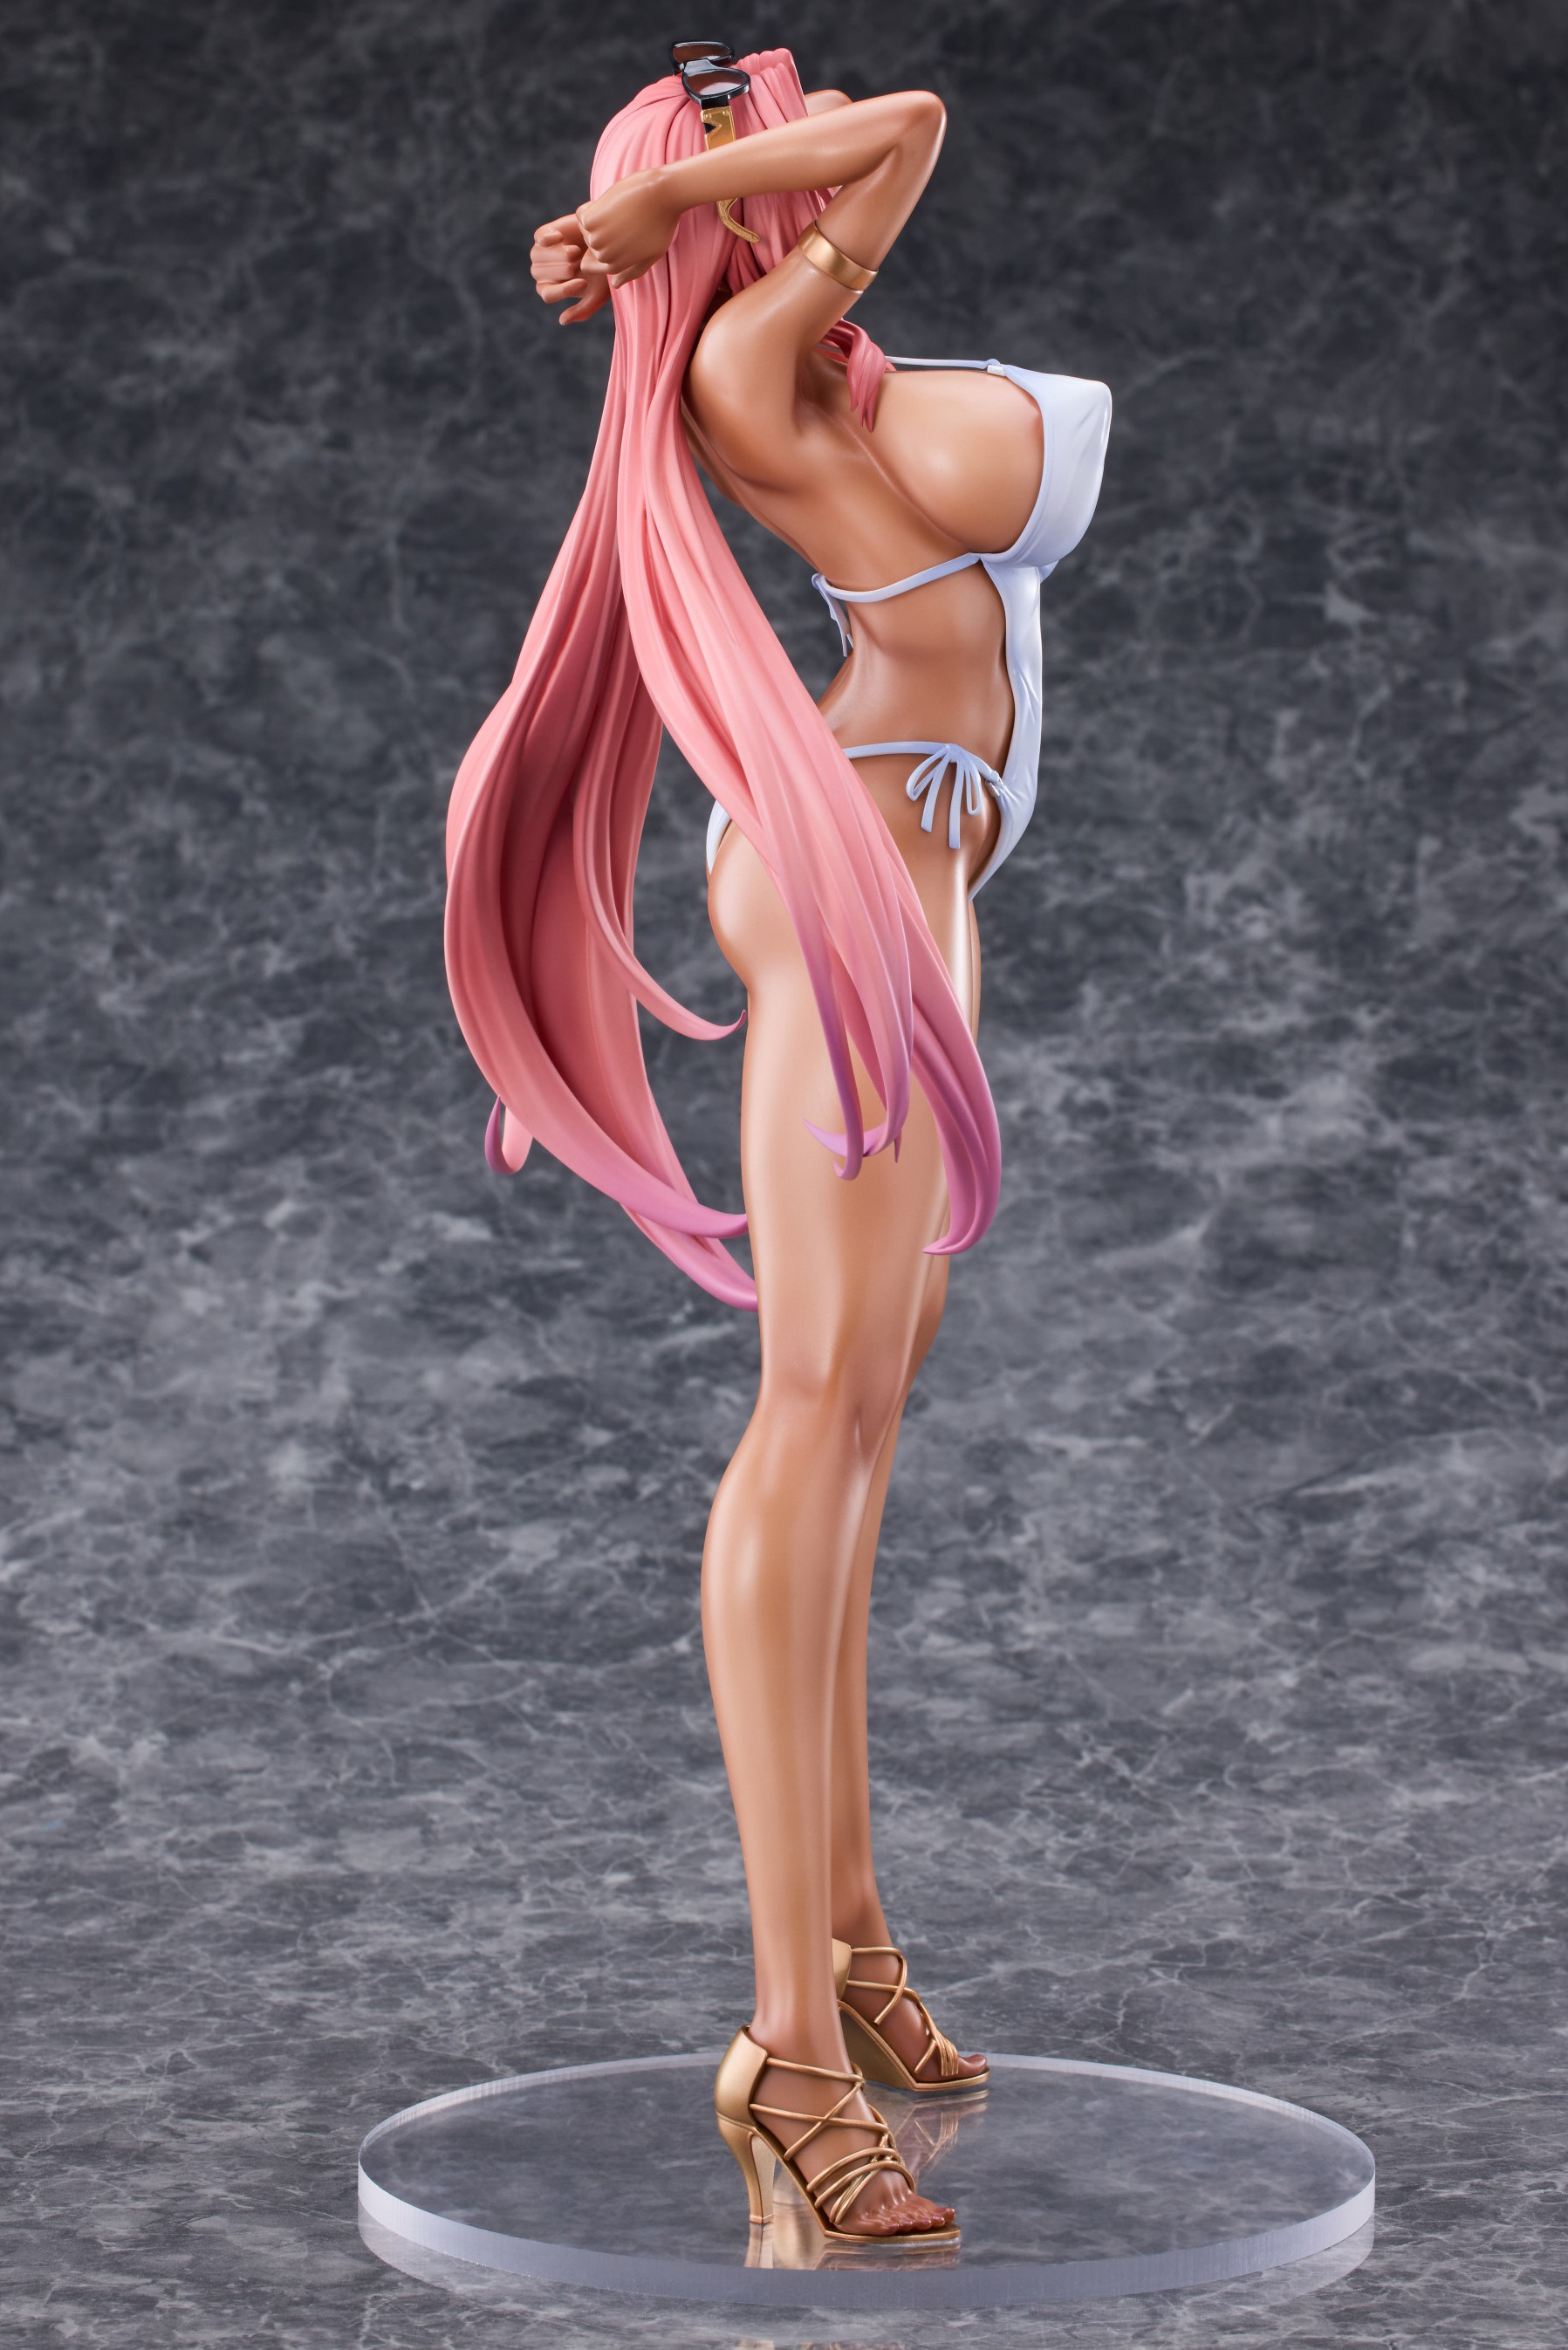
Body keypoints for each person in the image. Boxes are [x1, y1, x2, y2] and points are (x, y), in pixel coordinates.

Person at [444, 42, 1110, 2245]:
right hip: (854, 869)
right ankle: (785, 2052)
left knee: (872, 1405)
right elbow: (911, 127)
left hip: (918, 855)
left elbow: (862, 146)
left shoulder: (808, 353)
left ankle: (852, 1932)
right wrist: (652, 210)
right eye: (750, 130)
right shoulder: (740, 355)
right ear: (721, 205)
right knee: (807, 1417)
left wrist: (686, 189)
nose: (794, 129)